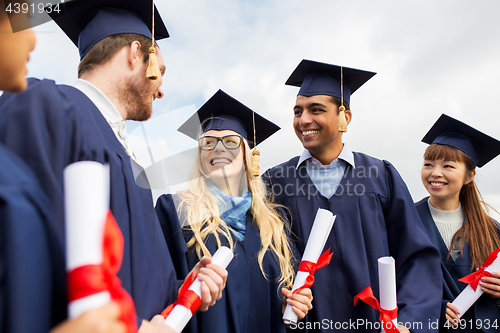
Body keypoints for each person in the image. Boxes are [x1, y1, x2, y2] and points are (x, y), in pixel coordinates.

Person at [0, 0, 226, 328]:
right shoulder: (45, 107)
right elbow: (19, 258)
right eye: (160, 72)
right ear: (136, 53)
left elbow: (129, 278)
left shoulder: (130, 159)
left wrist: (182, 289)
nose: (161, 90)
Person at [263, 59, 442, 333]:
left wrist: (408, 323)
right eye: (298, 111)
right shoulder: (276, 182)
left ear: (344, 117)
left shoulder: (380, 175)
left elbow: (416, 256)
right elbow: (266, 260)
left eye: (316, 110)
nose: (303, 120)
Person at [155, 89, 313, 333]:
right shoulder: (175, 213)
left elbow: (289, 297)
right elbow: (151, 286)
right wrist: (184, 288)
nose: (218, 149)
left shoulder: (274, 224)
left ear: (248, 155)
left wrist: (293, 306)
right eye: (208, 142)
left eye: (230, 141)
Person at [415, 114, 500, 333]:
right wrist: (430, 307)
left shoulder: (492, 230)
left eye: (448, 166)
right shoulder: (404, 221)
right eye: (428, 164)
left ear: (469, 176)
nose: (435, 173)